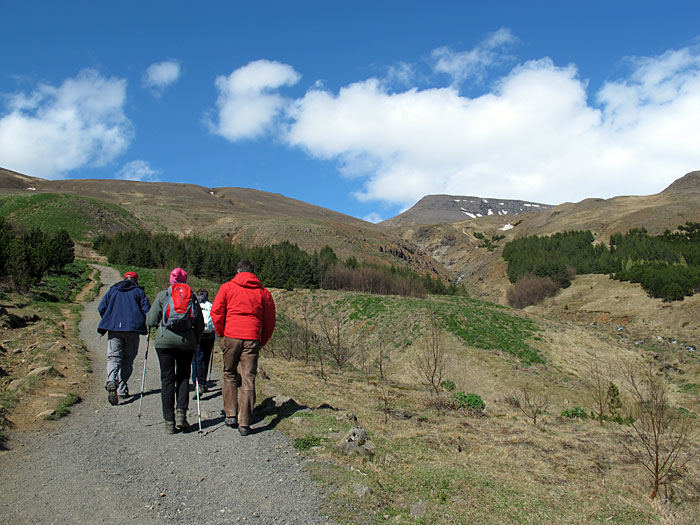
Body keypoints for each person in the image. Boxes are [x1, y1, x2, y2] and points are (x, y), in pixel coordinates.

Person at [211, 259, 275, 436]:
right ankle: (245, 422)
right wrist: (261, 340)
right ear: (253, 273)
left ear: (238, 271)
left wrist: (222, 333)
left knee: (230, 373)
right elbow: (270, 321)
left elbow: (216, 312)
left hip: (231, 335)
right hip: (252, 337)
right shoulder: (263, 293)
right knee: (248, 379)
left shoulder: (227, 287)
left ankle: (231, 414)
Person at [146, 268, 204, 434]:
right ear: (185, 281)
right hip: (186, 342)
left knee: (167, 379)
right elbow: (199, 324)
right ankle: (181, 414)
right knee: (184, 376)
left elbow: (150, 321)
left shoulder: (163, 295)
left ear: (171, 280)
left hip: (164, 342)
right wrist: (195, 339)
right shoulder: (191, 296)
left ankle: (169, 421)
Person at [97, 271, 150, 406]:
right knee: (128, 358)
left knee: (114, 357)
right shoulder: (138, 292)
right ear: (136, 280)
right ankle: (121, 387)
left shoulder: (113, 290)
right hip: (132, 329)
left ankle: (111, 381)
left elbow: (101, 307)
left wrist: (109, 319)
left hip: (114, 328)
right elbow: (147, 310)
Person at [191, 289, 216, 395]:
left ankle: (197, 383)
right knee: (205, 359)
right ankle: (203, 383)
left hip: (197, 334)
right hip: (209, 335)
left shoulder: (194, 304)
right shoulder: (210, 305)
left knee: (196, 359)